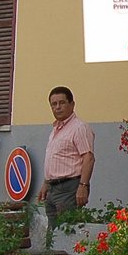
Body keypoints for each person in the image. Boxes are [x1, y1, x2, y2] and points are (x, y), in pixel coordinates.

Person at [38, 86, 94, 224]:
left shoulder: (79, 128)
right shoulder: (56, 129)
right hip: (52, 188)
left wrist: (83, 186)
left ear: (72, 104)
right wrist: (46, 183)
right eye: (54, 104)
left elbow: (89, 158)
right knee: (53, 233)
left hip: (69, 187)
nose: (58, 107)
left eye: (62, 103)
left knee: (66, 230)